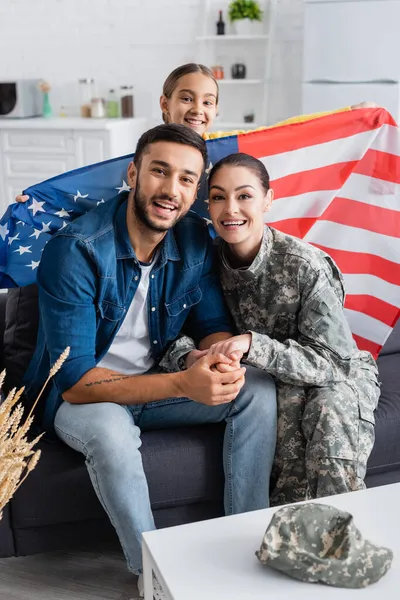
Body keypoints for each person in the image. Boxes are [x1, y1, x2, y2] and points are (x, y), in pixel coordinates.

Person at [23, 125, 277, 597]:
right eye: (160, 172)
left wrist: (220, 361)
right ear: (134, 173)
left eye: (186, 180)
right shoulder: (76, 249)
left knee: (257, 391)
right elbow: (75, 380)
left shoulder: (195, 240)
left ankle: (247, 545)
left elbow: (212, 323)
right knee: (111, 433)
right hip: (87, 397)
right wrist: (184, 384)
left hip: (157, 383)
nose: (171, 190)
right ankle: (155, 575)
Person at [177, 152, 380, 506]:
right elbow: (174, 331)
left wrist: (253, 345)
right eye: (219, 197)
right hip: (268, 382)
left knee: (329, 414)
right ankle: (283, 544)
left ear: (268, 199)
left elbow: (334, 363)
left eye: (244, 196)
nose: (231, 210)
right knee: (278, 415)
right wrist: (192, 356)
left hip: (336, 374)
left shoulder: (304, 264)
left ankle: (345, 540)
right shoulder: (201, 264)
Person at [15, 62, 376, 203]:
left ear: (216, 110)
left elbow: (290, 134)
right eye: (186, 98)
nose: (196, 110)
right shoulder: (143, 155)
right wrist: (37, 203)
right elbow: (93, 194)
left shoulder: (226, 152)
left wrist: (348, 117)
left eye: (207, 102)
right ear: (165, 102)